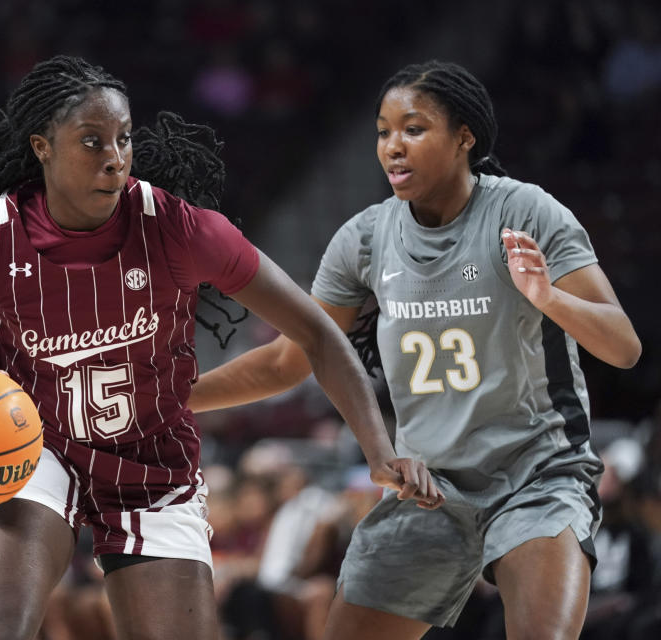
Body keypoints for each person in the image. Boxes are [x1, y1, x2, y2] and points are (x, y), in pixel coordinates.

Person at [0, 55, 443, 640]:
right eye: (92, 141)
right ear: (42, 147)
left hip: (152, 458)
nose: (114, 158)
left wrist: (378, 450)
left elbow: (316, 331)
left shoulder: (180, 228)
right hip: (34, 447)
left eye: (124, 139)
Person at [188, 60, 642, 640]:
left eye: (414, 129)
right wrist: (178, 396)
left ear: (464, 137)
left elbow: (623, 346)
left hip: (537, 475)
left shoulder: (524, 211)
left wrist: (548, 296)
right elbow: (288, 359)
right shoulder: (366, 239)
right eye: (383, 131)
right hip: (428, 486)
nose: (393, 147)